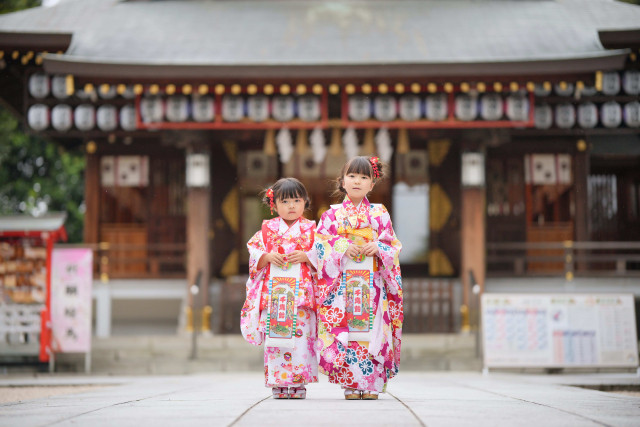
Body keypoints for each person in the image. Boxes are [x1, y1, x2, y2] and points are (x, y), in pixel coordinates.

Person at [314, 156, 403, 400]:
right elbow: (320, 244)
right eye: (352, 176)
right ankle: (351, 384)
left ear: (372, 185)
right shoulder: (330, 216)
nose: (357, 181)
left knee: (372, 330)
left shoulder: (379, 213)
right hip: (342, 286)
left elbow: (392, 245)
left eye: (364, 177)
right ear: (342, 181)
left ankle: (372, 383)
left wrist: (379, 248)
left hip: (372, 285)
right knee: (350, 331)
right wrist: (342, 246)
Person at [240, 177, 318, 399]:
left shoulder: (312, 229)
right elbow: (254, 252)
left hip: (301, 295)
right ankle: (278, 382)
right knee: (277, 337)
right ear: (274, 205)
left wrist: (307, 256)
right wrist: (265, 256)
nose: (291, 206)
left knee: (302, 338)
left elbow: (324, 256)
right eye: (285, 201)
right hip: (276, 295)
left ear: (305, 202)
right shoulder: (267, 230)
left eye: (296, 200)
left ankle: (299, 382)